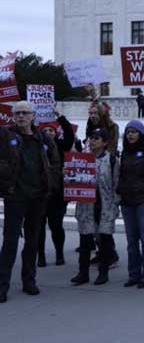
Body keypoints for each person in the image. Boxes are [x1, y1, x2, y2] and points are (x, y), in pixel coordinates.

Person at [0, 101, 56, 303]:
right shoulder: (6, 135)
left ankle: (29, 280)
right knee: (10, 242)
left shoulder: (43, 138)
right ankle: (2, 285)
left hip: (38, 197)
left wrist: (51, 183)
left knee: (32, 241)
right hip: (15, 196)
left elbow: (54, 161)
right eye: (17, 113)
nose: (21, 116)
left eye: (24, 113)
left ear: (33, 116)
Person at [71, 128, 120, 286]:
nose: (92, 141)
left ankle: (103, 272)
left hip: (104, 206)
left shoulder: (112, 160)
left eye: (96, 138)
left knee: (105, 241)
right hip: (86, 206)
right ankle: (82, 272)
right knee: (85, 242)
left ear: (104, 142)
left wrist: (114, 205)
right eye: (91, 138)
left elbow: (116, 185)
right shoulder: (81, 159)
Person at [117, 120, 144, 288]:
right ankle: (134, 274)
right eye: (128, 132)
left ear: (140, 133)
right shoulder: (125, 153)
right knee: (131, 241)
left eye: (134, 132)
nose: (131, 135)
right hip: (127, 201)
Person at [36, 108, 76, 267]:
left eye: (51, 130)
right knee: (38, 227)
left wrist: (60, 116)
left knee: (56, 225)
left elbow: (70, 134)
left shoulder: (62, 145)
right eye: (44, 130)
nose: (48, 132)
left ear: (56, 132)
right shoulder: (35, 146)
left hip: (57, 193)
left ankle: (59, 253)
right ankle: (41, 256)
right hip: (39, 193)